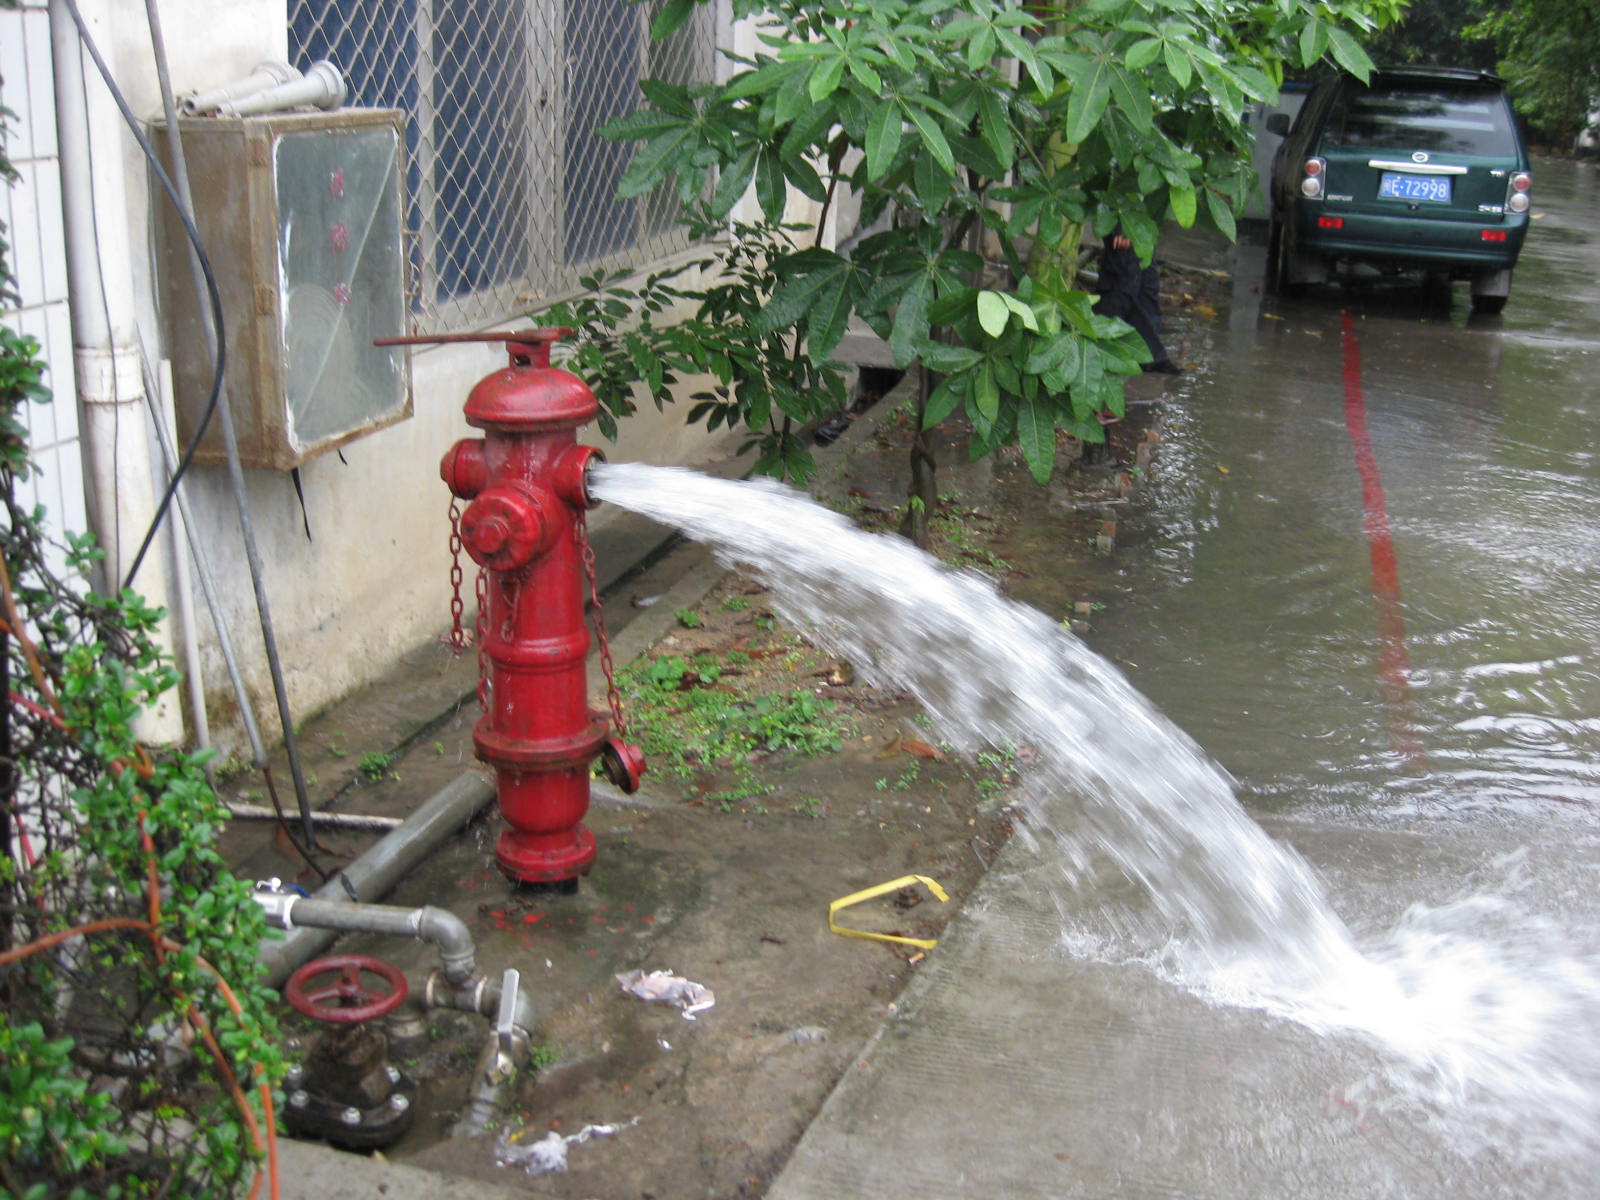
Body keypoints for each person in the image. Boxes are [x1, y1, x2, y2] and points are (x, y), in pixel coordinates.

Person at [1092, 230, 1182, 375]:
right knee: (1122, 283)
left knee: (1145, 285)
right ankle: (1098, 345)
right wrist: (1122, 229)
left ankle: (1149, 356)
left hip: (1141, 223)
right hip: (1127, 219)